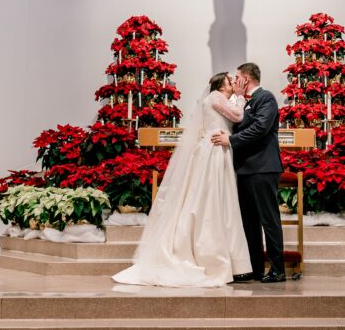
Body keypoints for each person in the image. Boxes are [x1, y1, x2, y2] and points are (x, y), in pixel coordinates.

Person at [112, 72, 251, 287]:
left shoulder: (218, 97)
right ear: (220, 85)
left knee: (219, 198)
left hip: (219, 148)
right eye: (230, 81)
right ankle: (211, 256)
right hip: (214, 150)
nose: (234, 83)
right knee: (212, 197)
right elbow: (237, 116)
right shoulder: (215, 96)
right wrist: (241, 97)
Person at [211, 62, 285, 282]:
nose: (234, 81)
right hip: (243, 170)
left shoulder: (266, 98)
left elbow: (261, 128)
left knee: (268, 220)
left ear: (246, 78)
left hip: (263, 168)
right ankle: (255, 268)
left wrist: (230, 140)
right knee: (249, 222)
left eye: (237, 77)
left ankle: (277, 269)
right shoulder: (242, 101)